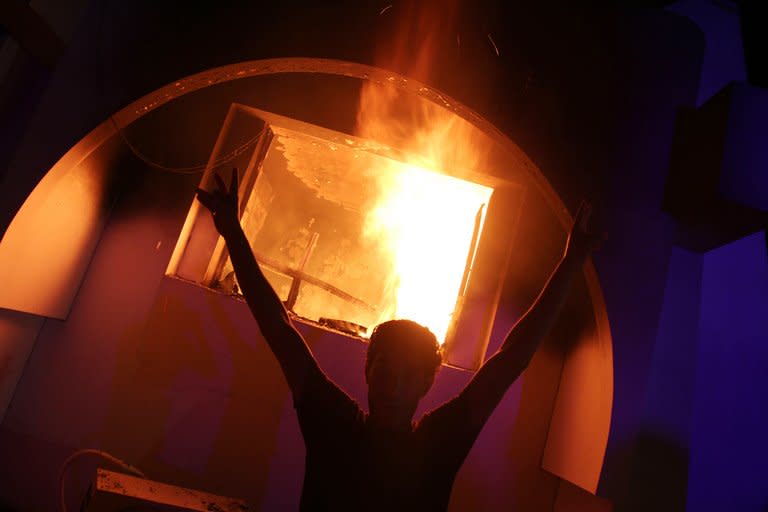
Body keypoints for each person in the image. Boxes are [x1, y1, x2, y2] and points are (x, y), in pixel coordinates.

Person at [196, 168, 602, 511]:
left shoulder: (432, 441)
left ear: (426, 383)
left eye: (407, 377)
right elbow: (277, 327)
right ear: (368, 368)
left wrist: (571, 264)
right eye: (387, 371)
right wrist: (231, 231)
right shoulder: (337, 423)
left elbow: (511, 359)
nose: (393, 387)